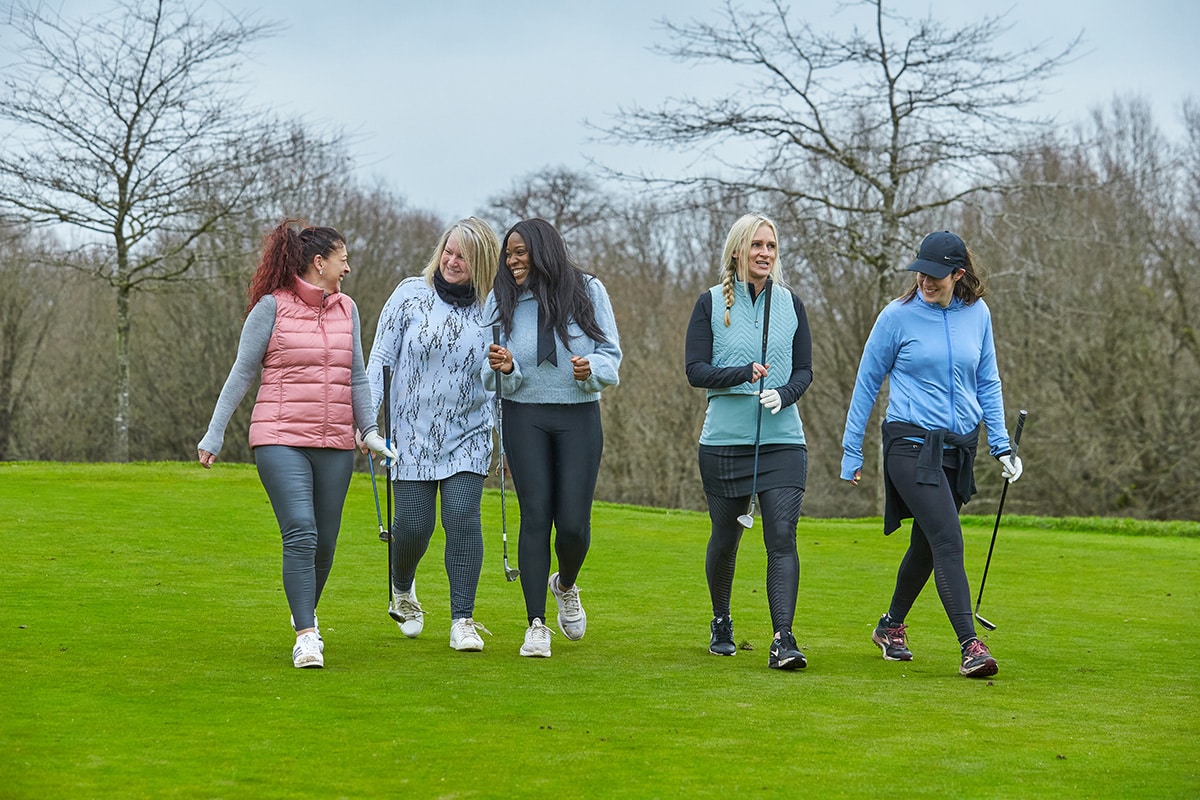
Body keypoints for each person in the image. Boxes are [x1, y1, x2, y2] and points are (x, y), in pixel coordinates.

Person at [198, 220, 397, 669]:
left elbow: (357, 376)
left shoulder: (348, 309)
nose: (347, 267)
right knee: (301, 531)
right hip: (280, 437)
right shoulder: (271, 308)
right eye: (342, 258)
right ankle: (307, 635)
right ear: (319, 261)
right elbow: (242, 372)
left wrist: (369, 432)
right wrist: (216, 431)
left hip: (335, 443)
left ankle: (301, 607)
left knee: (325, 543)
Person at [840, 230, 1023, 679]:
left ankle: (890, 626)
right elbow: (867, 382)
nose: (926, 280)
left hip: (959, 448)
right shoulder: (896, 317)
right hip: (909, 444)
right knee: (947, 537)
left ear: (959, 274)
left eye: (937, 275)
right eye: (921, 272)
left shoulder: (977, 313)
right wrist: (852, 450)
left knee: (926, 543)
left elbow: (988, 381)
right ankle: (970, 646)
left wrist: (1001, 444)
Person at [484, 218, 621, 658]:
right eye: (508, 254)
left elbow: (610, 355)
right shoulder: (500, 298)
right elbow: (486, 369)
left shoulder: (589, 291)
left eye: (519, 252)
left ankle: (564, 583)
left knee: (575, 526)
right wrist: (506, 368)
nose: (512, 261)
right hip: (524, 416)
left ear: (542, 250)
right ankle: (536, 624)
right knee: (536, 516)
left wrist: (590, 371)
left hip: (579, 416)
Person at [684, 212, 814, 671]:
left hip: (782, 440)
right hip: (724, 442)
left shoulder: (792, 305)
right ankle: (722, 619)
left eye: (771, 246)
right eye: (756, 245)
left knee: (781, 536)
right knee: (726, 537)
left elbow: (804, 371)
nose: (764, 253)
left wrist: (785, 393)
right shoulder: (709, 304)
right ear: (737, 251)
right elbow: (695, 370)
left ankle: (784, 638)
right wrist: (741, 376)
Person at [366, 217, 501, 652]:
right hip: (410, 437)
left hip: (469, 435)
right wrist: (368, 423)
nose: (452, 260)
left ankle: (463, 618)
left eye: (463, 255)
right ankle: (402, 588)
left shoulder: (495, 308)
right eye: (448, 250)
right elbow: (379, 360)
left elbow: (501, 378)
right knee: (412, 527)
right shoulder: (410, 295)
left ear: (481, 262)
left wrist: (509, 440)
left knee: (462, 518)